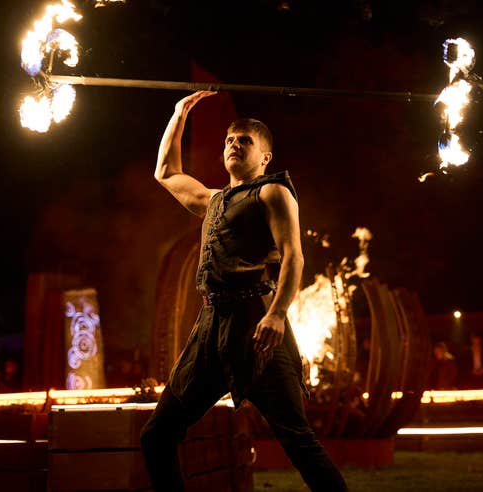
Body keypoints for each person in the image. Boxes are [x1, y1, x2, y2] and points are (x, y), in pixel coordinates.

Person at [140, 91, 347, 491]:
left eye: (245, 141)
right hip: (210, 327)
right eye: (229, 140)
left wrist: (277, 314)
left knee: (298, 441)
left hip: (255, 324)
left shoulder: (272, 192)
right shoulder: (213, 199)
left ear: (265, 156)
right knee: (157, 435)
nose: (234, 145)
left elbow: (294, 258)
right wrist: (179, 113)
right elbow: (165, 172)